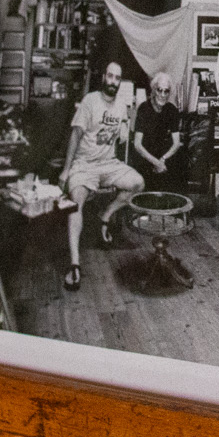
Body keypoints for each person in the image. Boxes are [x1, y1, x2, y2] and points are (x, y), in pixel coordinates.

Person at [57, 60, 144, 290]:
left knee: (137, 183)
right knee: (76, 203)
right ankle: (75, 264)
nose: (113, 82)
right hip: (84, 164)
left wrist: (127, 127)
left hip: (108, 163)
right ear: (103, 77)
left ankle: (105, 217)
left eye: (118, 78)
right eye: (110, 76)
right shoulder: (90, 101)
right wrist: (67, 169)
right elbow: (75, 136)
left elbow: (123, 135)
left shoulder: (121, 105)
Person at [131, 71, 184, 191]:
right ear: (154, 90)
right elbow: (137, 144)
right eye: (160, 90)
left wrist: (163, 160)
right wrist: (156, 162)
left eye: (166, 91)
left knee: (178, 169)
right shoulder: (144, 109)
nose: (163, 94)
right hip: (146, 157)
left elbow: (176, 143)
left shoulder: (172, 110)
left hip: (163, 158)